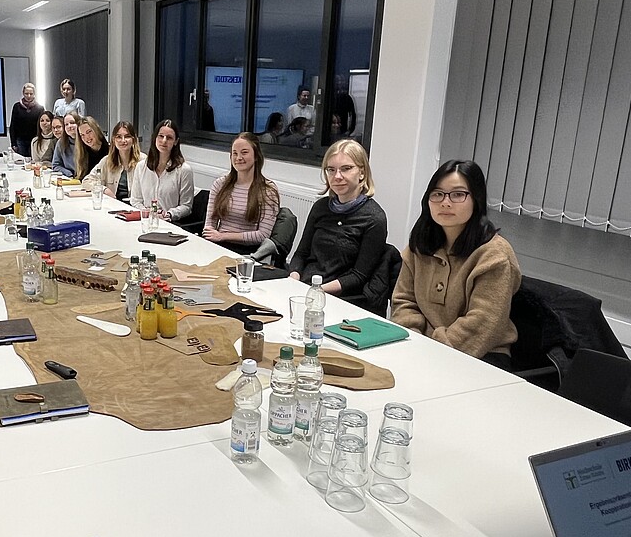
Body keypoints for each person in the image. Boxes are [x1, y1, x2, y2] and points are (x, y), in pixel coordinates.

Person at [391, 159, 521, 365]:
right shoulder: (421, 244)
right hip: (421, 348)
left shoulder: (494, 255)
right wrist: (411, 342)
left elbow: (483, 323)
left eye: (458, 194)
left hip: (480, 357)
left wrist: (432, 351)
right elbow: (404, 301)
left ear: (476, 199)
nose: (445, 202)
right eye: (437, 194)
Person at [288, 139, 387, 297]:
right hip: (304, 288)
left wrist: (316, 290)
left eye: (346, 169)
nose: (337, 176)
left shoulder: (374, 217)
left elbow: (359, 276)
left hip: (339, 297)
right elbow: (301, 254)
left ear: (362, 173)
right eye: (331, 170)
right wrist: (294, 278)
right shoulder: (320, 207)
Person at [203, 133, 280, 255]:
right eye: (235, 153)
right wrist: (215, 237)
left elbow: (262, 235)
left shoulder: (268, 190)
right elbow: (209, 224)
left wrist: (224, 236)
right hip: (218, 246)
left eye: (244, 152)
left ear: (256, 156)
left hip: (247, 252)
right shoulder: (220, 184)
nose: (238, 157)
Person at [130, 119, 194, 221]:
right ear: (154, 138)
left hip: (170, 223)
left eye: (169, 138)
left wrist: (168, 214)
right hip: (145, 220)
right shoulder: (141, 167)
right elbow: (135, 200)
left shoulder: (184, 170)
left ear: (175, 142)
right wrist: (148, 213)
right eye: (161, 136)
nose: (164, 141)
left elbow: (186, 206)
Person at [82, 121, 145, 201]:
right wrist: (104, 190)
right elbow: (87, 181)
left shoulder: (143, 161)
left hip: (135, 208)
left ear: (133, 140)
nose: (123, 140)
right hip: (113, 206)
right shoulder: (106, 161)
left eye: (127, 136)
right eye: (118, 137)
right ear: (113, 140)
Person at [10, 83, 44, 158]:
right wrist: (13, 143)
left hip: (35, 140)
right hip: (20, 141)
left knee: (34, 161)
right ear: (23, 94)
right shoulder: (17, 107)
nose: (29, 96)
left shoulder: (40, 108)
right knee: (22, 162)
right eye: (26, 93)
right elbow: (12, 125)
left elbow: (41, 126)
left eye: (31, 94)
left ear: (34, 94)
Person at [73, 116, 110, 180]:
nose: (87, 137)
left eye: (89, 132)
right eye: (82, 135)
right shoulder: (82, 153)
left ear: (96, 130)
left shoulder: (110, 150)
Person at [51, 112, 79, 177]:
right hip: (70, 178)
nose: (69, 126)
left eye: (72, 123)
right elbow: (56, 165)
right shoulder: (61, 142)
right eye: (66, 124)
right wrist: (69, 174)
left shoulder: (86, 141)